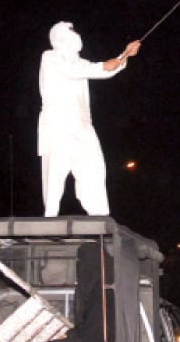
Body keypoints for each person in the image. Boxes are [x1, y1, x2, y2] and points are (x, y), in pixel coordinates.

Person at [38, 21, 141, 217]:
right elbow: (80, 70)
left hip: (83, 125)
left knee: (93, 167)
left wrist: (125, 54)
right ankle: (49, 219)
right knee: (55, 174)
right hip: (58, 124)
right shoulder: (50, 57)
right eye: (71, 32)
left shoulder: (80, 63)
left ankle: (100, 218)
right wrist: (106, 64)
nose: (76, 35)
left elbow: (102, 70)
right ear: (60, 37)